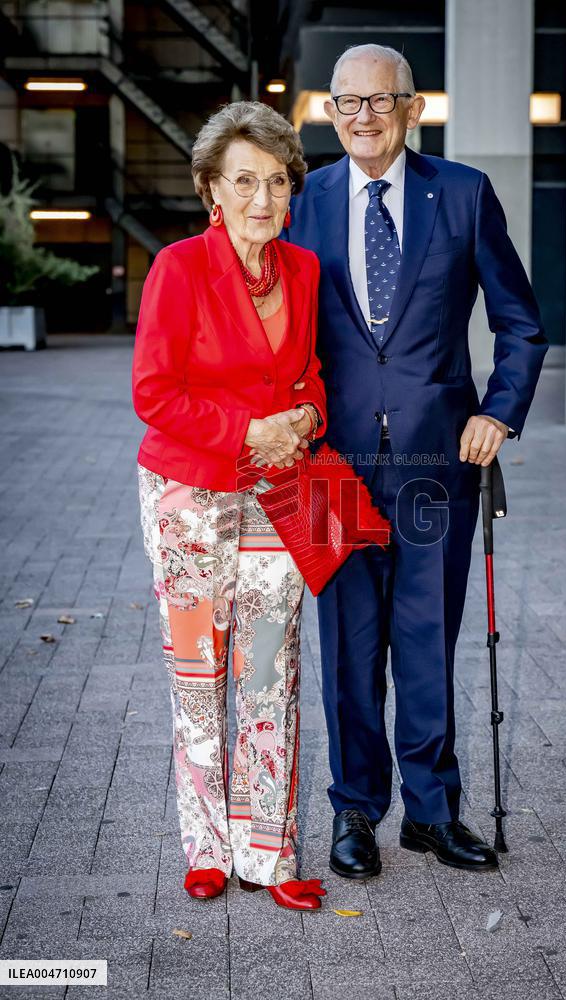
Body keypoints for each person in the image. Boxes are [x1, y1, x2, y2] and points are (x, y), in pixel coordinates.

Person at [286, 44, 548, 879]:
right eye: (345, 103)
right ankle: (356, 812)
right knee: (348, 648)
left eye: (379, 100)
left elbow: (521, 323)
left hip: (437, 459)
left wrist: (498, 412)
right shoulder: (304, 200)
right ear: (330, 113)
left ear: (412, 107)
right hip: (330, 461)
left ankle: (431, 815)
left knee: (428, 640)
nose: (362, 117)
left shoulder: (464, 193)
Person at [132, 101, 328, 909]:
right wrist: (252, 430)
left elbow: (313, 374)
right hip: (188, 494)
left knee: (269, 672)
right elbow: (154, 393)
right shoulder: (177, 267)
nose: (262, 198)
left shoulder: (306, 270)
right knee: (198, 672)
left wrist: (308, 416)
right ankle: (207, 846)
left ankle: (268, 855)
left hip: (280, 491)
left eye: (277, 182)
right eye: (244, 181)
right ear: (212, 188)